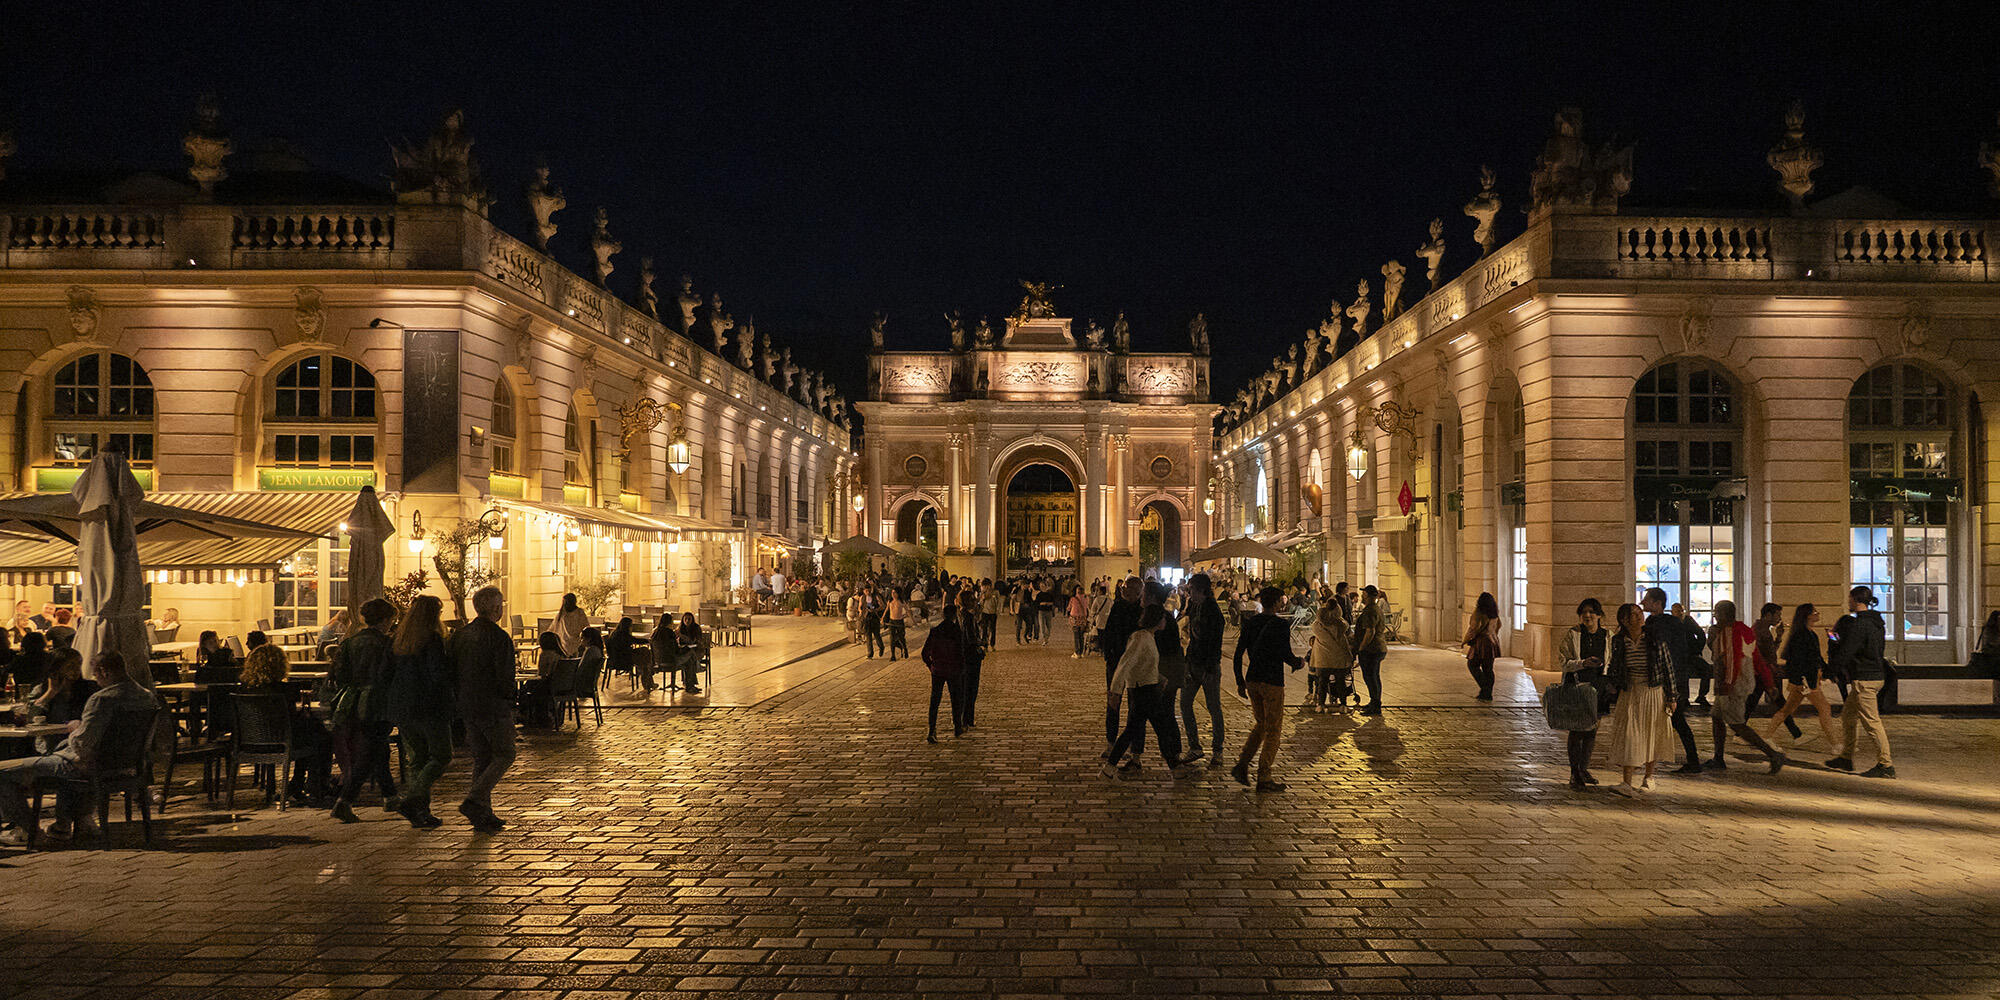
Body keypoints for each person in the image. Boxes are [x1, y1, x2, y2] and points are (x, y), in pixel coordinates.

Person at [0, 651, 161, 847]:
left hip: (88, 765)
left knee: (4, 771)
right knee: (60, 761)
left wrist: (76, 729)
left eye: (95, 673)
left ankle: (31, 831)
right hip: (127, 766)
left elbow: (82, 746)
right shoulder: (147, 696)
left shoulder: (102, 699)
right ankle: (71, 824)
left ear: (103, 671)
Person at [447, 586, 516, 831]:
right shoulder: (498, 637)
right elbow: (504, 675)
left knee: (482, 757)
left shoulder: (461, 635)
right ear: (495, 608)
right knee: (505, 753)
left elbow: (451, 670)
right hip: (493, 705)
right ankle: (475, 799)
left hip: (467, 704)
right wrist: (510, 699)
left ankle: (483, 814)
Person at [1105, 605, 1195, 779]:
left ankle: (1110, 768)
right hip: (1143, 691)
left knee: (1143, 729)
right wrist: (1115, 691)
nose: (1164, 621)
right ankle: (1174, 767)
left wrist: (1160, 678)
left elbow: (1145, 665)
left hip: (1148, 689)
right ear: (1155, 619)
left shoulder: (1148, 637)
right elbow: (1125, 664)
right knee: (1152, 729)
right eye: (1162, 618)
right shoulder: (1140, 638)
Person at [387, 594, 453, 829]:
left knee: (417, 760)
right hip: (428, 707)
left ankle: (421, 813)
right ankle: (412, 800)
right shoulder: (432, 639)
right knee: (442, 755)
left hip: (403, 707)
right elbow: (437, 676)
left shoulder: (400, 640)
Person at [329, 598, 398, 823]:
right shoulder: (386, 644)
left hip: (354, 702)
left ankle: (390, 796)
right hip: (377, 703)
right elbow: (389, 675)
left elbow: (339, 674)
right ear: (386, 619)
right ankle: (345, 800)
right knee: (370, 752)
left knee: (377, 748)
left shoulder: (351, 642)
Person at [238, 642, 333, 804]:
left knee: (312, 734)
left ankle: (298, 784)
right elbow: (290, 720)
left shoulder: (243, 690)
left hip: (249, 742)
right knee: (320, 736)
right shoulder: (285, 690)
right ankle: (315, 784)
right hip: (282, 741)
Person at [1232, 586, 1303, 792]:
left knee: (1261, 724)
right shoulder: (1280, 625)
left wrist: (1239, 680)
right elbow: (1285, 654)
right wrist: (1298, 663)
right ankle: (1264, 776)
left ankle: (1242, 764)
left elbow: (1238, 653)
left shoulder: (1251, 622)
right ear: (1277, 602)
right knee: (1273, 729)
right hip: (1272, 681)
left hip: (1252, 679)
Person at [1605, 603, 1678, 797]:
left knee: (1651, 733)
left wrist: (1672, 696)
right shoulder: (1619, 640)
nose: (1638, 618)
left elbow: (1667, 666)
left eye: (1639, 614)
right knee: (1630, 734)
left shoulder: (1654, 638)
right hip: (1630, 691)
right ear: (1624, 620)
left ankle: (1649, 777)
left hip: (1653, 691)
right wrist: (1612, 683)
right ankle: (1627, 782)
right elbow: (1615, 664)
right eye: (1633, 616)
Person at [1705, 600, 1786, 773]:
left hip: (1733, 683)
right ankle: (1718, 758)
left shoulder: (1729, 632)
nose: (1715, 616)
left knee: (1737, 724)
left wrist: (1727, 683)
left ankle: (1773, 754)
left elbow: (1731, 661)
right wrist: (1768, 682)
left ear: (1724, 615)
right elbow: (1757, 657)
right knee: (1717, 717)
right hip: (1738, 682)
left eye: (1717, 613)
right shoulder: (1745, 630)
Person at [1826, 585, 1893, 778]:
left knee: (1872, 723)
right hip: (1874, 675)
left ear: (1855, 600)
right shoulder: (1877, 623)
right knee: (1848, 716)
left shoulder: (1859, 624)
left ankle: (1886, 765)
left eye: (1849, 599)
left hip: (1865, 679)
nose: (1848, 602)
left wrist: (1832, 669)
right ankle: (1846, 757)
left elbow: (1848, 650)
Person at [1639, 588, 1705, 774]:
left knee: (1676, 720)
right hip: (1677, 676)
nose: (1643, 603)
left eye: (1646, 599)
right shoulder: (1673, 622)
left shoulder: (1657, 623)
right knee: (1677, 721)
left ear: (1657, 603)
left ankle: (1692, 761)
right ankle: (1691, 760)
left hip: (1669, 678)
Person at [1762, 602, 1841, 749]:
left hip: (1805, 680)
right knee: (1824, 709)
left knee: (1786, 710)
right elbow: (1798, 660)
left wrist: (1826, 671)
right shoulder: (1802, 635)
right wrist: (1801, 680)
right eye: (1814, 612)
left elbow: (1816, 657)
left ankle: (1766, 736)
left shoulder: (1808, 633)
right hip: (1805, 681)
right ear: (1807, 615)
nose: (1818, 614)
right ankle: (1836, 744)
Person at [1556, 598, 1609, 790]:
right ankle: (1574, 772)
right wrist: (1582, 663)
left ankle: (1583, 768)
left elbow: (1610, 661)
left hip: (1599, 688)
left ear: (1599, 615)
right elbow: (1563, 660)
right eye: (1584, 612)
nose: (1587, 616)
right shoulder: (1574, 634)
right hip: (1577, 686)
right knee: (1577, 730)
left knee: (1592, 730)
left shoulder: (1607, 635)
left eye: (1591, 612)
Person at [1178, 572, 1227, 768]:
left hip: (1208, 667)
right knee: (1185, 704)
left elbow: (1215, 643)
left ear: (1202, 591)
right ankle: (1195, 747)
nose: (1190, 594)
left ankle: (1218, 751)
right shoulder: (1195, 607)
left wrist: (1209, 666)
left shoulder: (1213, 612)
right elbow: (1192, 637)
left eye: (1193, 590)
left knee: (1213, 707)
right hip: (1193, 663)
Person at [1100, 577, 1144, 760]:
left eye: (1128, 588)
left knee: (1136, 709)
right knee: (1113, 704)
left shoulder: (1143, 611)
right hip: (1116, 662)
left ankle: (1135, 752)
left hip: (1135, 665)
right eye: (1124, 587)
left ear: (1138, 592)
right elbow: (1108, 632)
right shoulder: (1118, 606)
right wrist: (1108, 655)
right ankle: (1111, 744)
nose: (1123, 590)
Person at [29, 648, 96, 755]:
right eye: (70, 666)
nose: (76, 670)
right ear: (57, 668)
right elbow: (31, 718)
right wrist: (51, 692)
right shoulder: (41, 690)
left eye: (79, 664)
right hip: (52, 745)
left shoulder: (90, 688)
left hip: (80, 744)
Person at [919, 600, 966, 743]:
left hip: (938, 670)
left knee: (935, 701)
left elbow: (924, 653)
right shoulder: (957, 632)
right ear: (954, 616)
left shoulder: (935, 631)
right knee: (955, 699)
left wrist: (931, 665)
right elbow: (961, 653)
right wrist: (961, 667)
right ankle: (957, 726)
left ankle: (932, 730)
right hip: (953, 670)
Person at [1752, 603, 1801, 739]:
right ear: (1768, 615)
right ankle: (1796, 734)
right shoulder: (1762, 631)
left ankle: (1796, 733)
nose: (1779, 618)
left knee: (1754, 702)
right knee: (1780, 703)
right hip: (1765, 672)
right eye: (1777, 615)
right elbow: (1769, 653)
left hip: (1763, 671)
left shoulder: (1760, 628)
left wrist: (1778, 636)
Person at [1308, 585, 1354, 712]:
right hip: (1339, 658)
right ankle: (1343, 705)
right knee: (1340, 682)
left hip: (1322, 658)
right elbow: (1347, 637)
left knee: (1322, 682)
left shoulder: (1317, 626)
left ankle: (1321, 705)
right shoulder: (1341, 626)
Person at [1352, 586, 1389, 715]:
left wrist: (1361, 647)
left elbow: (1370, 631)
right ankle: (1374, 702)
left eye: (1364, 593)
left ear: (1367, 595)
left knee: (1371, 677)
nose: (1362, 596)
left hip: (1371, 649)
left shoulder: (1370, 611)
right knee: (1373, 676)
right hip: (1376, 648)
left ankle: (1375, 705)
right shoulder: (1375, 609)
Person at [518, 632, 563, 728]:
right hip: (558, 685)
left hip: (547, 686)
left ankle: (524, 713)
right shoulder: (559, 655)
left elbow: (542, 674)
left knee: (526, 687)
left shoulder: (545, 655)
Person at [1462, 592, 1502, 701]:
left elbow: (1473, 629)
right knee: (1488, 669)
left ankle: (1485, 689)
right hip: (1492, 642)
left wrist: (1464, 641)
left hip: (1481, 642)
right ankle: (1487, 693)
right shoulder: (1494, 613)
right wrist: (1494, 636)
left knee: (1472, 664)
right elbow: (1499, 626)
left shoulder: (1479, 613)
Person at [957, 591, 987, 728]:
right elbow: (971, 638)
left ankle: (966, 718)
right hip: (971, 657)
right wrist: (981, 643)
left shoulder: (961, 615)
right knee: (971, 689)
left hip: (963, 655)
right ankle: (967, 719)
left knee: (965, 689)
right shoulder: (968, 617)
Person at [673, 612, 706, 694]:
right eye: (685, 619)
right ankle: (690, 684)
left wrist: (681, 635)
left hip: (697, 650)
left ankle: (689, 684)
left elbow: (693, 641)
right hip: (686, 650)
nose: (687, 621)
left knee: (690, 658)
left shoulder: (696, 628)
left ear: (692, 620)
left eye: (689, 619)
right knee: (690, 660)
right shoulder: (680, 628)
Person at [607, 617, 639, 691]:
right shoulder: (624, 635)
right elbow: (635, 640)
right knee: (644, 652)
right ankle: (647, 673)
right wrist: (648, 641)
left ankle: (646, 673)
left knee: (643, 655)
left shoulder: (614, 633)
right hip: (623, 660)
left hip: (614, 660)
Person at [1067, 585, 1090, 659]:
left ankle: (1077, 652)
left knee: (1076, 636)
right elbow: (1087, 607)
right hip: (1083, 618)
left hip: (1075, 619)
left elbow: (1069, 608)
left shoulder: (1073, 599)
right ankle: (1082, 652)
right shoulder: (1086, 598)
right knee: (1082, 636)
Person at [885, 590, 909, 660]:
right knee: (892, 639)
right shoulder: (890, 602)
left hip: (899, 621)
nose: (893, 594)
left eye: (895, 593)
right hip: (892, 622)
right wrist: (882, 618)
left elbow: (908, 611)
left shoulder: (901, 602)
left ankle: (905, 649)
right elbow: (886, 610)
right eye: (892, 593)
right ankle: (893, 655)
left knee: (901, 638)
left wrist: (913, 621)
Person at [861, 590, 885, 660]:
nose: (867, 592)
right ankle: (870, 654)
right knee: (868, 637)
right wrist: (861, 612)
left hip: (875, 618)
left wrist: (876, 610)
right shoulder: (863, 598)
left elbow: (882, 606)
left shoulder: (876, 597)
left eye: (868, 590)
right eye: (865, 590)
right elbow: (860, 607)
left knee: (877, 635)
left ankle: (881, 647)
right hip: (867, 619)